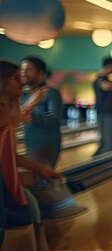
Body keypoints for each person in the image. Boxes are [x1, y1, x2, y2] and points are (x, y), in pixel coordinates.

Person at [0, 60, 62, 250]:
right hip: (3, 187)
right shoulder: (5, 115)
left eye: (25, 73)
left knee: (32, 213)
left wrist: (40, 169)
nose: (23, 82)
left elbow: (10, 156)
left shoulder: (51, 94)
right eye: (16, 77)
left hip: (10, 183)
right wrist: (32, 103)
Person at [20, 56, 63, 168]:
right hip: (31, 144)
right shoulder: (24, 96)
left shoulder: (51, 93)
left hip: (46, 146)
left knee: (40, 182)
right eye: (22, 69)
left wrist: (30, 116)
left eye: (28, 69)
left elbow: (54, 119)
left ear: (41, 73)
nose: (23, 73)